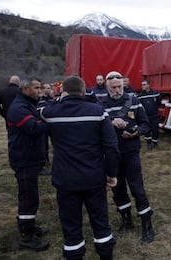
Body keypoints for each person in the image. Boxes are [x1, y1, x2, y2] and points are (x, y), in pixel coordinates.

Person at [40, 76, 119, 259]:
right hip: (94, 177)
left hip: (65, 178)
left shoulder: (50, 113)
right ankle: (106, 255)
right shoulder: (98, 111)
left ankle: (74, 254)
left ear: (63, 92)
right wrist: (112, 173)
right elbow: (111, 147)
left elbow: (36, 113)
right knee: (100, 221)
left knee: (71, 225)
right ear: (84, 92)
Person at [101, 71, 154, 244]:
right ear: (107, 87)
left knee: (137, 187)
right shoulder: (101, 105)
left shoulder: (134, 101)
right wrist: (110, 123)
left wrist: (135, 132)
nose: (117, 90)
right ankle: (126, 221)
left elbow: (146, 123)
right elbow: (96, 127)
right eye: (114, 88)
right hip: (112, 154)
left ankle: (147, 225)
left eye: (120, 87)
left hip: (131, 152)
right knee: (118, 188)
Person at [6, 77, 49, 251]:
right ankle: (26, 235)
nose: (40, 91)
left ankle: (30, 226)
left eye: (40, 87)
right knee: (28, 197)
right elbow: (34, 128)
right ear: (25, 89)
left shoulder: (27, 104)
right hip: (23, 159)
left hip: (30, 157)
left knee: (32, 194)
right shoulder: (18, 108)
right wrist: (49, 122)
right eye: (36, 88)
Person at [137, 79, 161, 150]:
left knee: (155, 129)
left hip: (154, 115)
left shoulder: (155, 93)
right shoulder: (140, 96)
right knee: (147, 130)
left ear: (148, 85)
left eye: (144, 85)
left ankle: (155, 143)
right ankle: (149, 143)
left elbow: (158, 102)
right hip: (146, 116)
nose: (142, 86)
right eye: (142, 85)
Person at [37, 82, 55, 175]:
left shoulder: (52, 99)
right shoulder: (39, 100)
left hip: (52, 125)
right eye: (46, 88)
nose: (48, 89)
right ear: (42, 89)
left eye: (49, 88)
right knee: (43, 145)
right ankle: (44, 161)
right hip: (43, 125)